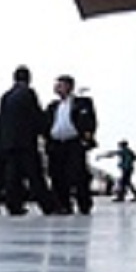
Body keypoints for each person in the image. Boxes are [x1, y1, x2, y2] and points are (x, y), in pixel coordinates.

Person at [0, 65, 57, 216]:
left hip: (8, 144)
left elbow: (0, 121)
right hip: (25, 143)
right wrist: (46, 131)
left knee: (12, 177)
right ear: (28, 79)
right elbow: (35, 116)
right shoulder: (28, 93)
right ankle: (48, 206)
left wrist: (2, 141)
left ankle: (13, 206)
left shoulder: (6, 96)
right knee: (35, 175)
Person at [43, 74, 97, 215]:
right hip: (56, 145)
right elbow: (45, 124)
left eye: (60, 85)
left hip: (74, 143)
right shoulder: (52, 106)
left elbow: (90, 121)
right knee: (57, 175)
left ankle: (84, 204)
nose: (56, 88)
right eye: (56, 85)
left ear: (69, 86)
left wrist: (86, 137)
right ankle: (63, 205)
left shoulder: (83, 103)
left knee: (78, 174)